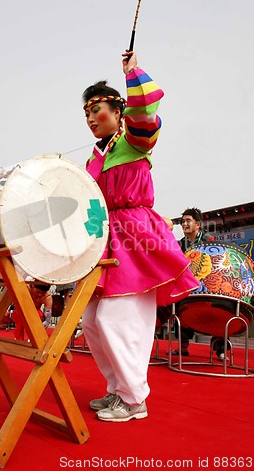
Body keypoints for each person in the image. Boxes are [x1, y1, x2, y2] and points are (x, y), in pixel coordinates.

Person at [81, 49, 199, 422]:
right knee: (91, 320)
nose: (89, 119)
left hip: (136, 238)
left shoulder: (134, 140)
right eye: (85, 113)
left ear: (118, 113)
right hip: (106, 238)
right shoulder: (93, 159)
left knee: (119, 318)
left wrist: (132, 73)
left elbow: (146, 112)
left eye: (95, 110)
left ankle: (134, 400)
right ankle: (117, 389)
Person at [175, 207, 229, 361]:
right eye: (182, 222)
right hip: (189, 286)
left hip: (208, 284)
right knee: (180, 306)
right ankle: (183, 348)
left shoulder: (208, 240)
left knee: (220, 309)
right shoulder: (180, 244)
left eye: (188, 221)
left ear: (197, 224)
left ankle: (220, 350)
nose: (184, 224)